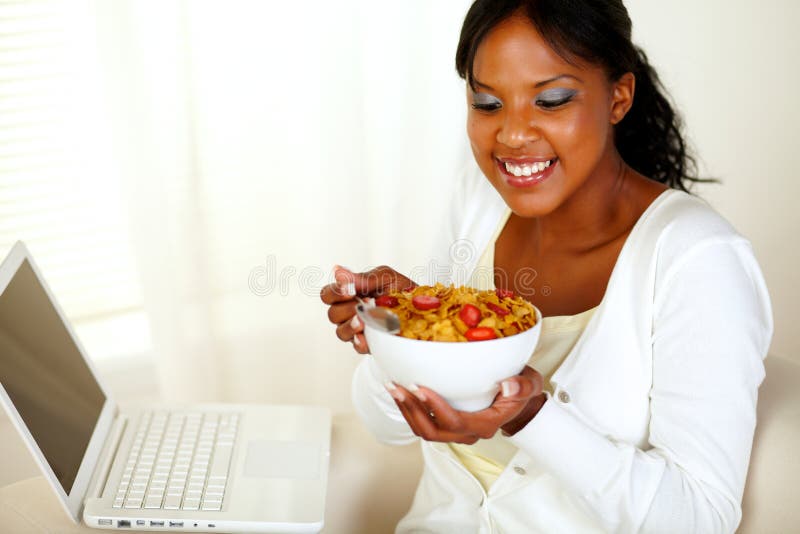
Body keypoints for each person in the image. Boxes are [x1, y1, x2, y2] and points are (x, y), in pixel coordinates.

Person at [320, 0, 773, 532]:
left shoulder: (695, 259)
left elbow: (699, 517)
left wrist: (531, 416)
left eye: (551, 100)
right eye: (488, 104)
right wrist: (404, 336)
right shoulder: (479, 200)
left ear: (618, 97)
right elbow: (384, 425)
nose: (512, 135)